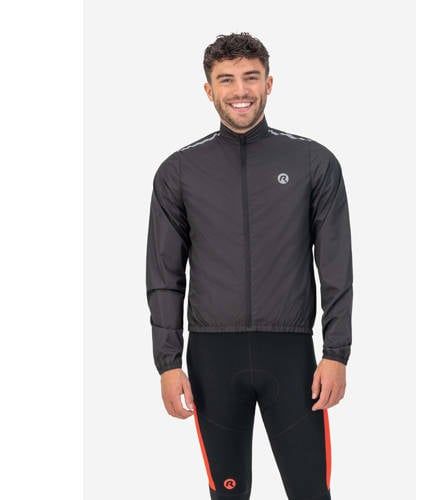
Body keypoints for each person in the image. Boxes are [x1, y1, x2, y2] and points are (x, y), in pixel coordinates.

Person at [146, 32, 353, 500]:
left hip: (292, 356)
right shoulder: (179, 171)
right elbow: (164, 275)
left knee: (310, 492)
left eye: (251, 77)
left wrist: (336, 352)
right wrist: (167, 363)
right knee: (228, 494)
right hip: (212, 359)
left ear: (269, 83)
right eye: (226, 79)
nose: (240, 90)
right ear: (209, 90)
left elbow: (336, 264)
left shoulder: (313, 162)